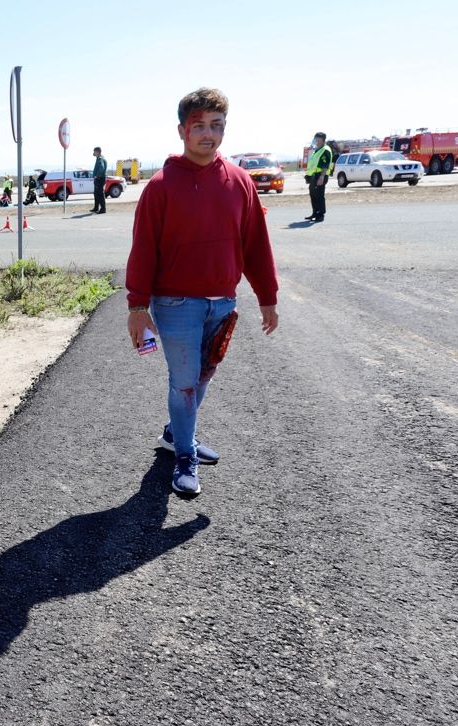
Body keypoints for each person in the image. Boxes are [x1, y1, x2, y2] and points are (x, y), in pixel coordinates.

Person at [124, 87, 279, 496]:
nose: (208, 135)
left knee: (204, 375)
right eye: (199, 127)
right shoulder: (160, 186)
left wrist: (268, 298)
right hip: (175, 303)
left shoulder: (240, 182)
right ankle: (184, 455)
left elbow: (256, 245)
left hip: (222, 302)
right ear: (182, 131)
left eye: (217, 126)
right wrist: (137, 306)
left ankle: (177, 434)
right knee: (185, 382)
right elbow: (143, 250)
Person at [305, 131, 333, 222]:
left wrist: (321, 177)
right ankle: (315, 212)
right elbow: (313, 165)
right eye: (315, 138)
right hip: (314, 176)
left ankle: (320, 215)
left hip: (320, 176)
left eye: (317, 138)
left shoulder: (325, 150)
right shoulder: (317, 150)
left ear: (322, 140)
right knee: (313, 195)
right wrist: (308, 176)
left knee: (319, 195)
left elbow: (325, 164)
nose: (315, 140)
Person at [92, 146, 108, 214]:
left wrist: (97, 176)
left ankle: (103, 209)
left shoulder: (100, 159)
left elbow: (101, 167)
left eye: (94, 151)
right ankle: (96, 208)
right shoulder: (99, 158)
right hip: (99, 178)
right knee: (96, 193)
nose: (93, 153)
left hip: (100, 178)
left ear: (98, 152)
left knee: (100, 194)